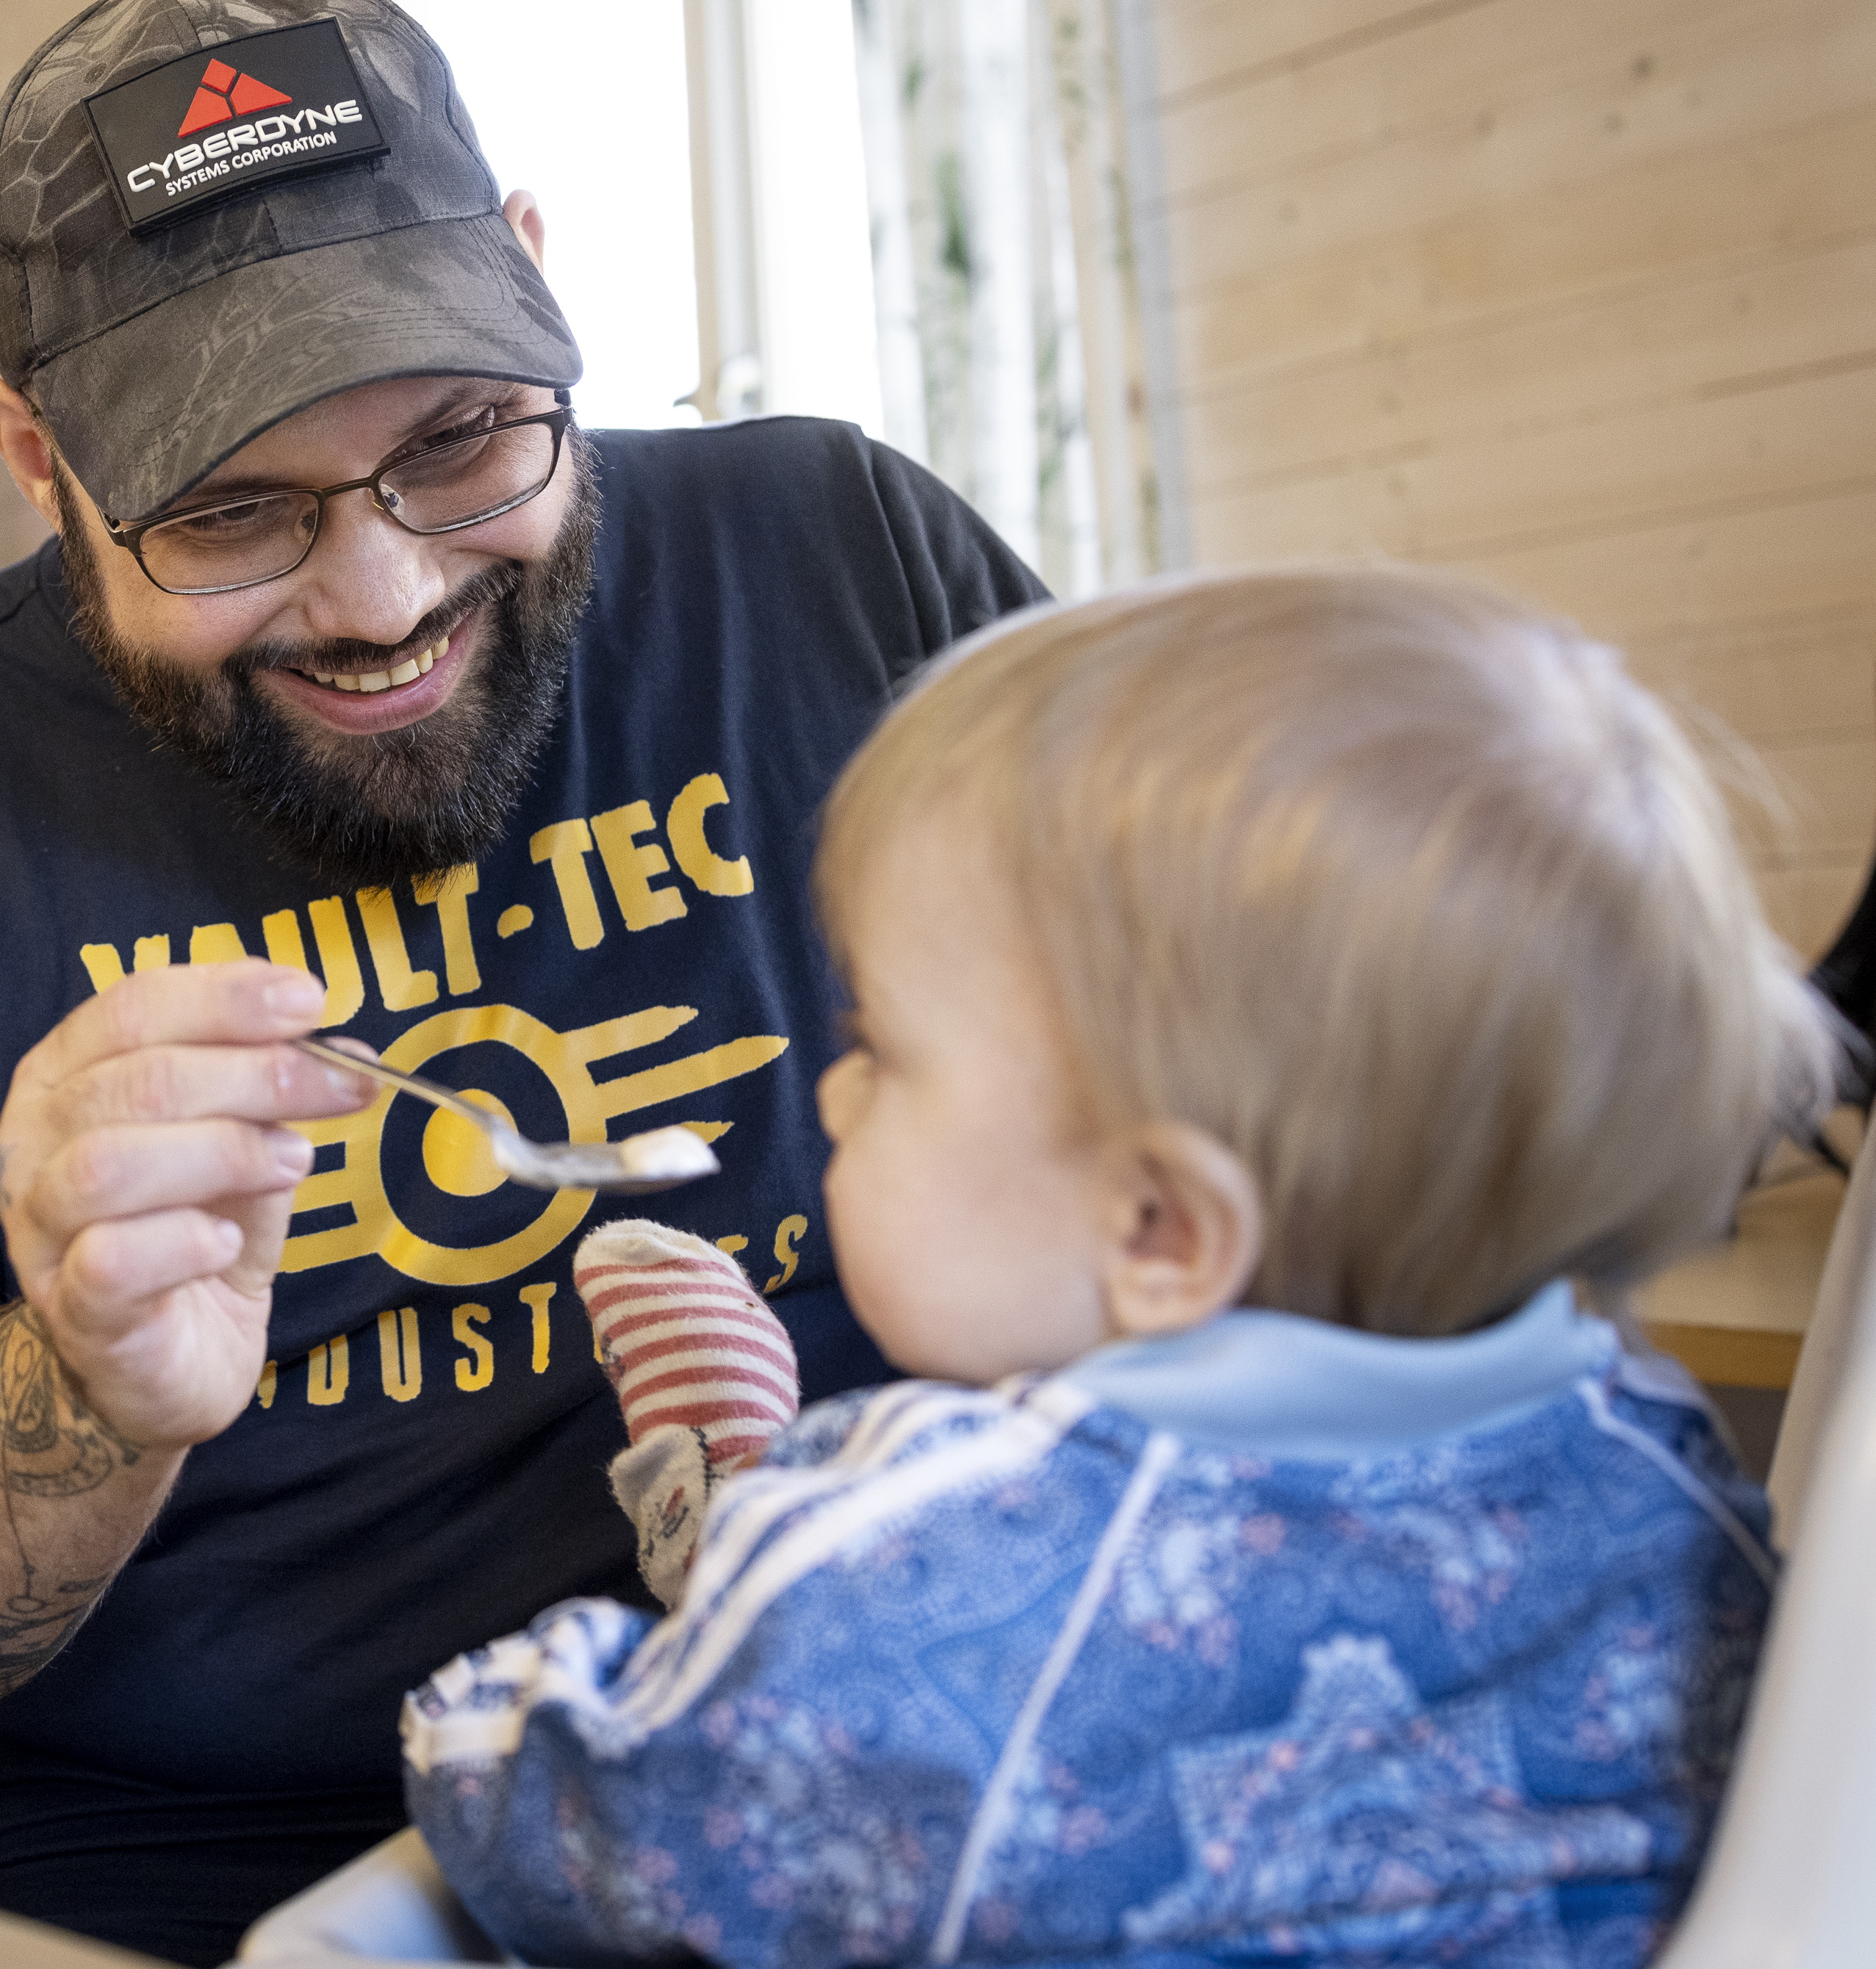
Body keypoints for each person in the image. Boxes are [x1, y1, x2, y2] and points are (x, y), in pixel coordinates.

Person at [0, 0, 1041, 1962]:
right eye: (231, 514)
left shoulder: (846, 556)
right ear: (37, 461)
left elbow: (1272, 1090)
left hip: (897, 1755)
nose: (385, 598)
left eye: (466, 441)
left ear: (540, 284)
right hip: (179, 1867)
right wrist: (88, 1386)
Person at [406, 566, 1836, 1964]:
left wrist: (504, 1700)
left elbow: (568, 1818)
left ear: (1159, 1234)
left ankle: (730, 1500)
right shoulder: (1670, 1479)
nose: (828, 1099)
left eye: (879, 1051)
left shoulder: (924, 1589)